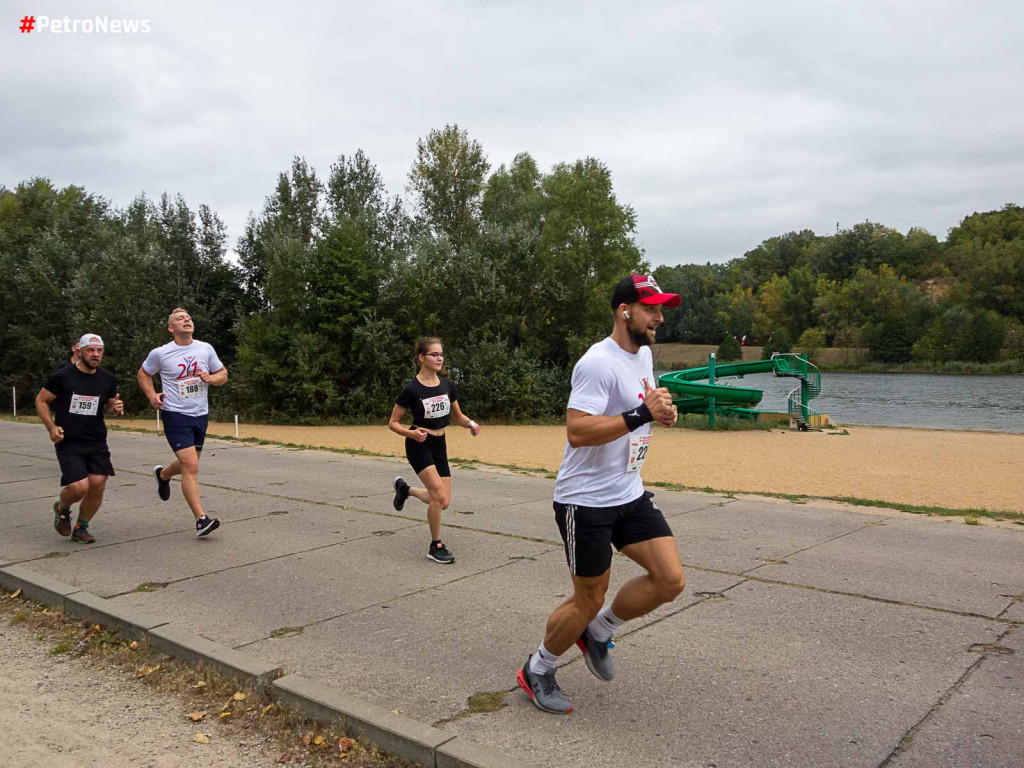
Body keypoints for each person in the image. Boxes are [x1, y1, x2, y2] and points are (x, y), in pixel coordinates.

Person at [517, 274, 686, 714]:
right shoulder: (596, 362)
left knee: (670, 580)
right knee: (587, 597)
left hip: (627, 492)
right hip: (584, 500)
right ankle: (538, 667)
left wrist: (658, 413)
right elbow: (577, 431)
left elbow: (639, 407)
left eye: (661, 308)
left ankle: (598, 630)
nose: (659, 318)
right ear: (624, 310)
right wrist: (638, 415)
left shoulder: (644, 354)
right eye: (651, 308)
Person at [388, 338, 480, 564]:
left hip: (440, 444)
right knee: (438, 496)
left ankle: (405, 490)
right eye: (434, 354)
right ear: (421, 357)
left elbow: (457, 416)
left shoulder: (447, 385)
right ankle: (436, 545)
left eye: (441, 354)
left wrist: (470, 424)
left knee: (443, 500)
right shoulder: (411, 389)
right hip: (418, 444)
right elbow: (393, 422)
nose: (439, 358)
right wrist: (411, 434)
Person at [137, 308, 228, 538]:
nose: (186, 320)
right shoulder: (161, 353)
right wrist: (151, 396)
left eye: (188, 317)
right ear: (171, 328)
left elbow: (223, 374)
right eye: (180, 318)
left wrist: (211, 378)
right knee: (191, 466)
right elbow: (143, 374)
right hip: (175, 414)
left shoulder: (205, 348)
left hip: (200, 413)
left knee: (190, 462)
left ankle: (163, 475)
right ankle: (201, 519)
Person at [34, 334, 123, 543]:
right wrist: (51, 427)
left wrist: (114, 408)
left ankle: (81, 528)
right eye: (91, 350)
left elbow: (109, 406)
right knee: (79, 487)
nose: (95, 354)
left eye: (99, 351)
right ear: (80, 351)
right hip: (69, 441)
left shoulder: (107, 379)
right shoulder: (63, 376)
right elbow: (41, 400)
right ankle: (62, 508)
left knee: (98, 483)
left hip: (96, 440)